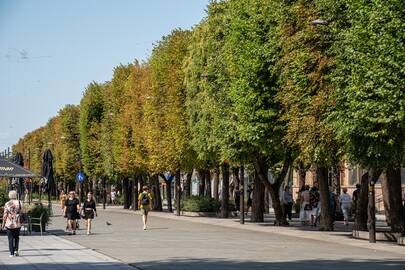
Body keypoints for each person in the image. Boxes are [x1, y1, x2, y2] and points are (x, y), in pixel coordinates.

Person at [2, 190, 23, 257]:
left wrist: (3, 223)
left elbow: (5, 214)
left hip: (9, 223)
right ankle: (16, 251)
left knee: (10, 238)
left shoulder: (7, 203)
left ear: (9, 196)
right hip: (18, 222)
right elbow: (22, 211)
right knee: (17, 237)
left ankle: (11, 253)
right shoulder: (20, 202)